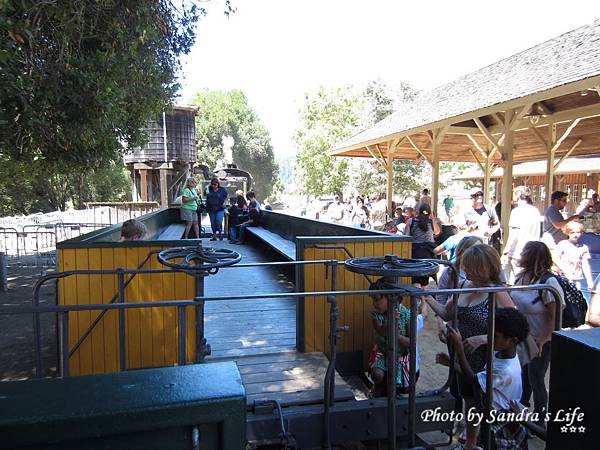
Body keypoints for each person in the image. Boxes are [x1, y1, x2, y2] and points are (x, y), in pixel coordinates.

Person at [424, 244, 515, 449]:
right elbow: (447, 313)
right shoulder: (465, 285)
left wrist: (483, 339)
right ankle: (471, 444)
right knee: (469, 399)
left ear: (483, 267)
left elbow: (515, 327)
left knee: (483, 401)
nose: (467, 271)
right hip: (462, 352)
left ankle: (485, 441)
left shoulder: (497, 292)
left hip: (485, 356)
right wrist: (427, 298)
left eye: (471, 267)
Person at [437, 308, 530, 450]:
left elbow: (474, 381)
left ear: (512, 340)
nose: (490, 337)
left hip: (501, 424)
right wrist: (452, 363)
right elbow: (479, 378)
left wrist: (459, 347)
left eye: (496, 335)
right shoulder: (499, 353)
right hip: (492, 418)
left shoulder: (505, 370)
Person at [511, 241, 564, 419]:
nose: (521, 254)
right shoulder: (521, 276)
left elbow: (554, 316)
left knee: (536, 379)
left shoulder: (549, 282)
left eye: (525, 251)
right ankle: (522, 412)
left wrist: (543, 339)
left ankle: (540, 419)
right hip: (523, 336)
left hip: (541, 339)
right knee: (523, 375)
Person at [367, 278, 419, 397]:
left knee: (401, 385)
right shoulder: (377, 316)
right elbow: (381, 331)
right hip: (384, 353)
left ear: (392, 298)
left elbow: (412, 343)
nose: (374, 304)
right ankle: (377, 388)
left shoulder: (407, 315)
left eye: (377, 300)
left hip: (402, 357)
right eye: (373, 300)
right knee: (377, 374)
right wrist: (390, 322)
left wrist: (397, 336)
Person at [501, 186, 541, 284]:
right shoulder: (535, 211)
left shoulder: (517, 211)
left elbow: (514, 234)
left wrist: (506, 252)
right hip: (533, 251)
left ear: (518, 195)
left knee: (516, 282)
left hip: (519, 252)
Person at [405, 203, 441, 289]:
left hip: (416, 252)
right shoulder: (430, 222)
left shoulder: (411, 221)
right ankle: (423, 301)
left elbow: (406, 236)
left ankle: (418, 300)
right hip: (429, 253)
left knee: (416, 278)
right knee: (425, 278)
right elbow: (437, 232)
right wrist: (432, 219)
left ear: (418, 211)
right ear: (430, 212)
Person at [554, 221, 593, 289]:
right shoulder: (563, 244)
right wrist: (564, 269)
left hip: (576, 278)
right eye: (572, 232)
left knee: (577, 296)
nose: (575, 235)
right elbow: (555, 257)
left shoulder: (583, 247)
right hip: (563, 278)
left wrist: (589, 281)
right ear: (567, 233)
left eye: (578, 232)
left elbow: (585, 264)